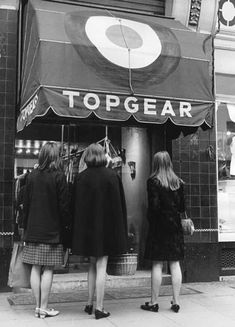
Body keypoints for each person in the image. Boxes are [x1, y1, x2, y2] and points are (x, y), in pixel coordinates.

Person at [72, 143, 128, 320]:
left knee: (92, 265)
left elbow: (75, 206)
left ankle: (89, 303)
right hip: (106, 228)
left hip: (87, 228)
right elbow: (120, 206)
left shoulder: (80, 178)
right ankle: (100, 307)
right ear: (103, 155)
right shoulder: (112, 176)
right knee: (101, 265)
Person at [22, 141, 71, 319]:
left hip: (33, 230)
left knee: (35, 267)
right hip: (52, 231)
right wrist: (67, 228)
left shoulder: (32, 176)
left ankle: (37, 306)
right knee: (48, 269)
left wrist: (24, 228)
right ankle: (44, 307)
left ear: (42, 155)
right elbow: (64, 207)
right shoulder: (59, 176)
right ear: (56, 157)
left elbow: (25, 205)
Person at [141, 151, 185, 313]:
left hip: (159, 227)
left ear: (155, 164)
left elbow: (154, 207)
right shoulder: (178, 182)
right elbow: (182, 208)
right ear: (169, 163)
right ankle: (176, 301)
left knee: (157, 264)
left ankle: (153, 302)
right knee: (175, 263)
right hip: (174, 227)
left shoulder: (153, 182)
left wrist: (151, 221)